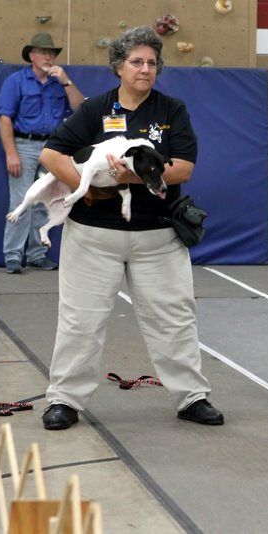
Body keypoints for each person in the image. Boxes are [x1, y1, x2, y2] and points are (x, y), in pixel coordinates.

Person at [38, 26, 223, 429]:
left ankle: (191, 396)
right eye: (136, 62)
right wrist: (88, 187)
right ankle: (64, 400)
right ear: (118, 67)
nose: (145, 69)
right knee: (80, 319)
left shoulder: (171, 110)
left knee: (175, 318)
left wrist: (133, 177)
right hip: (92, 236)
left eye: (152, 63)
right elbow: (52, 154)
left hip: (157, 236)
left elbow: (184, 168)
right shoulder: (94, 110)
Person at [0, 32, 84, 274]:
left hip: (54, 147)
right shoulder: (16, 81)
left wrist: (66, 81)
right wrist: (10, 153)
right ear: (32, 56)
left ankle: (37, 254)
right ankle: (13, 256)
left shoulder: (60, 81)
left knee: (45, 201)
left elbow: (80, 107)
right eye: (44, 52)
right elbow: (4, 118)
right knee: (21, 200)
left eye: (52, 53)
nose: (49, 56)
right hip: (24, 145)